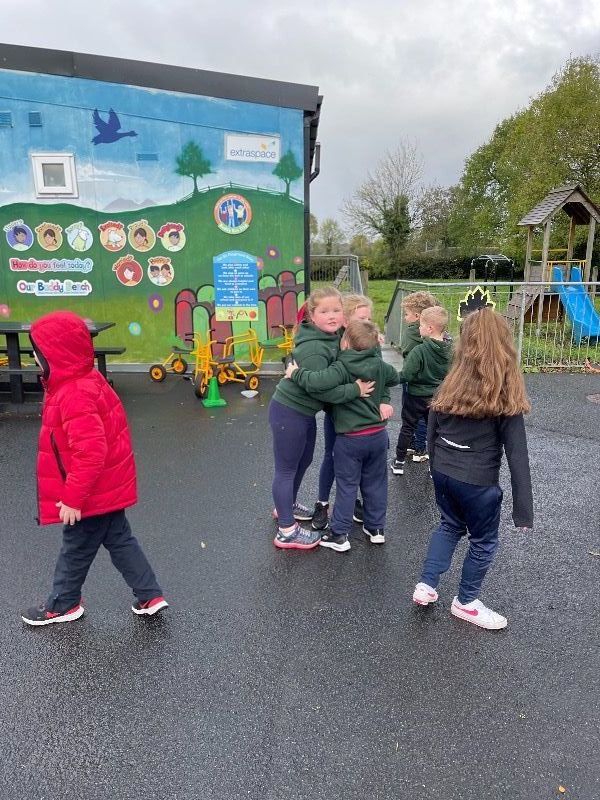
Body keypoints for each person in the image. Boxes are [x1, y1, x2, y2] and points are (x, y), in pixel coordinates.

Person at [21, 311, 167, 626]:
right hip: (106, 488)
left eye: (38, 352)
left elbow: (90, 452)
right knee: (120, 540)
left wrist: (73, 499)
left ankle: (63, 604)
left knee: (75, 549)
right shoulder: (86, 380)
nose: (34, 357)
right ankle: (150, 594)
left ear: (56, 355)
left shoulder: (72, 393)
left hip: (89, 494)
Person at [412, 308, 533, 630]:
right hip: (478, 482)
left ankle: (426, 584)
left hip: (444, 472)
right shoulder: (504, 392)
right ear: (503, 344)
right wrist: (523, 512)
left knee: (449, 525)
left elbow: (432, 429)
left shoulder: (451, 382)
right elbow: (517, 454)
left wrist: (435, 467)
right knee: (483, 541)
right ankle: (466, 602)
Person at [269, 287, 374, 550]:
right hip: (289, 412)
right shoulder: (315, 347)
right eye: (324, 311)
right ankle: (286, 531)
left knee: (303, 462)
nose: (332, 316)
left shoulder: (332, 335)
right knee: (286, 469)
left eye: (336, 310)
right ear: (312, 315)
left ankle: (286, 505)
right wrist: (355, 390)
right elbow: (320, 389)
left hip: (304, 413)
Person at [288, 319, 399, 552]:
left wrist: (296, 373)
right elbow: (394, 378)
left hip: (350, 438)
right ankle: (376, 528)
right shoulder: (379, 365)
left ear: (345, 342)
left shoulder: (341, 366)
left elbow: (319, 383)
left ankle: (339, 534)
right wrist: (382, 395)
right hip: (378, 435)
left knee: (347, 486)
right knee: (376, 483)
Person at [311, 293, 389, 531]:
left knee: (359, 465)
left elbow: (382, 376)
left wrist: (384, 400)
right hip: (339, 413)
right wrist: (354, 390)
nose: (368, 323)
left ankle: (352, 505)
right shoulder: (335, 342)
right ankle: (322, 503)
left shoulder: (370, 342)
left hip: (362, 418)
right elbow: (326, 385)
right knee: (332, 457)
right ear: (346, 319)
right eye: (362, 318)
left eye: (369, 318)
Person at [391, 305, 452, 475]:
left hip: (416, 397)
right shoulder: (451, 351)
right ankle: (434, 466)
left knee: (408, 428)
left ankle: (399, 462)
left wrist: (389, 377)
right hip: (438, 397)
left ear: (430, 328)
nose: (419, 328)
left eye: (421, 325)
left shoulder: (419, 351)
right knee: (435, 431)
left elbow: (407, 375)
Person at [400, 290, 438, 462]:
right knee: (425, 415)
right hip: (429, 379)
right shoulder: (434, 333)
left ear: (417, 316)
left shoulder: (411, 332)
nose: (404, 318)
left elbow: (406, 351)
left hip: (413, 378)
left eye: (406, 314)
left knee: (411, 413)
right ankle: (419, 446)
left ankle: (417, 446)